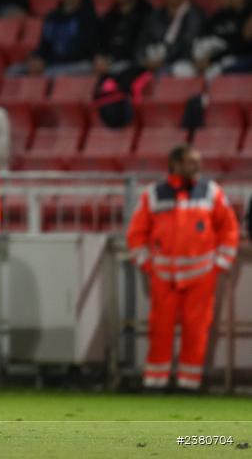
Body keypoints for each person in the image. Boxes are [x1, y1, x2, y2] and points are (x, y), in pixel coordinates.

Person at [127, 144, 238, 392]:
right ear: (174, 164)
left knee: (196, 331)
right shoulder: (153, 194)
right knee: (160, 329)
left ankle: (190, 384)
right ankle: (155, 382)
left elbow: (229, 228)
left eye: (197, 161)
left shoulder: (211, 192)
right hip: (163, 275)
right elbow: (136, 233)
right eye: (191, 161)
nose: (197, 166)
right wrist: (146, 263)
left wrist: (220, 263)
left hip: (201, 275)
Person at [21, 0, 99, 76]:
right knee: (13, 71)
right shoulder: (51, 18)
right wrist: (37, 59)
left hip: (75, 65)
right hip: (50, 64)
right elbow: (44, 46)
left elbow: (82, 51)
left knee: (53, 73)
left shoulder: (89, 17)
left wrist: (47, 61)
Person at [135, 0, 205, 72]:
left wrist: (163, 59)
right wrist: (144, 60)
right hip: (153, 62)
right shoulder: (155, 15)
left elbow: (186, 45)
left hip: (181, 64)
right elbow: (142, 41)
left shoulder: (194, 16)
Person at [97, 0, 152, 72]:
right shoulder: (109, 16)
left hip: (135, 65)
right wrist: (100, 58)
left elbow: (143, 48)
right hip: (111, 64)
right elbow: (101, 45)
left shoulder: (147, 14)